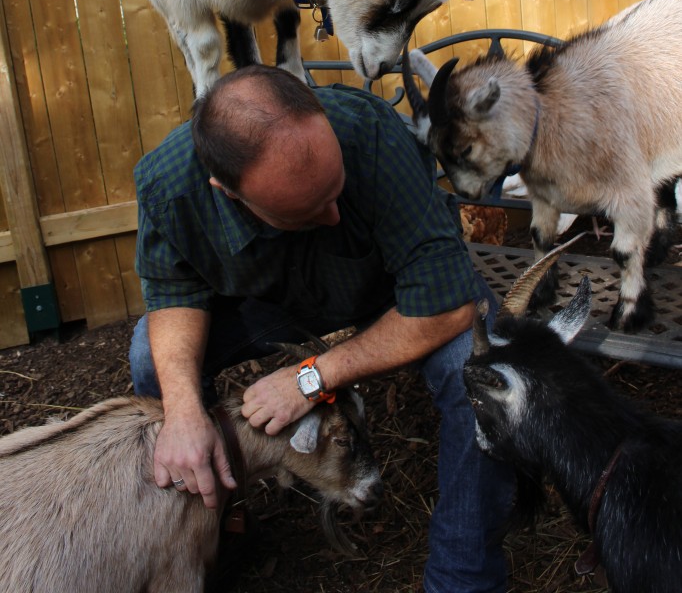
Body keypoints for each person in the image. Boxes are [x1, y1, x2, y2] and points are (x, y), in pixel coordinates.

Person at [129, 64, 514, 593]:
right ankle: (209, 528)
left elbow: (448, 305)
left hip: (393, 293)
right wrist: (182, 412)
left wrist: (311, 377)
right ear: (229, 192)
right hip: (270, 301)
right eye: (308, 211)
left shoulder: (372, 134)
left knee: (481, 367)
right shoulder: (169, 185)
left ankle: (463, 577)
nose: (333, 215)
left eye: (337, 192)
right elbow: (174, 294)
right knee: (152, 362)